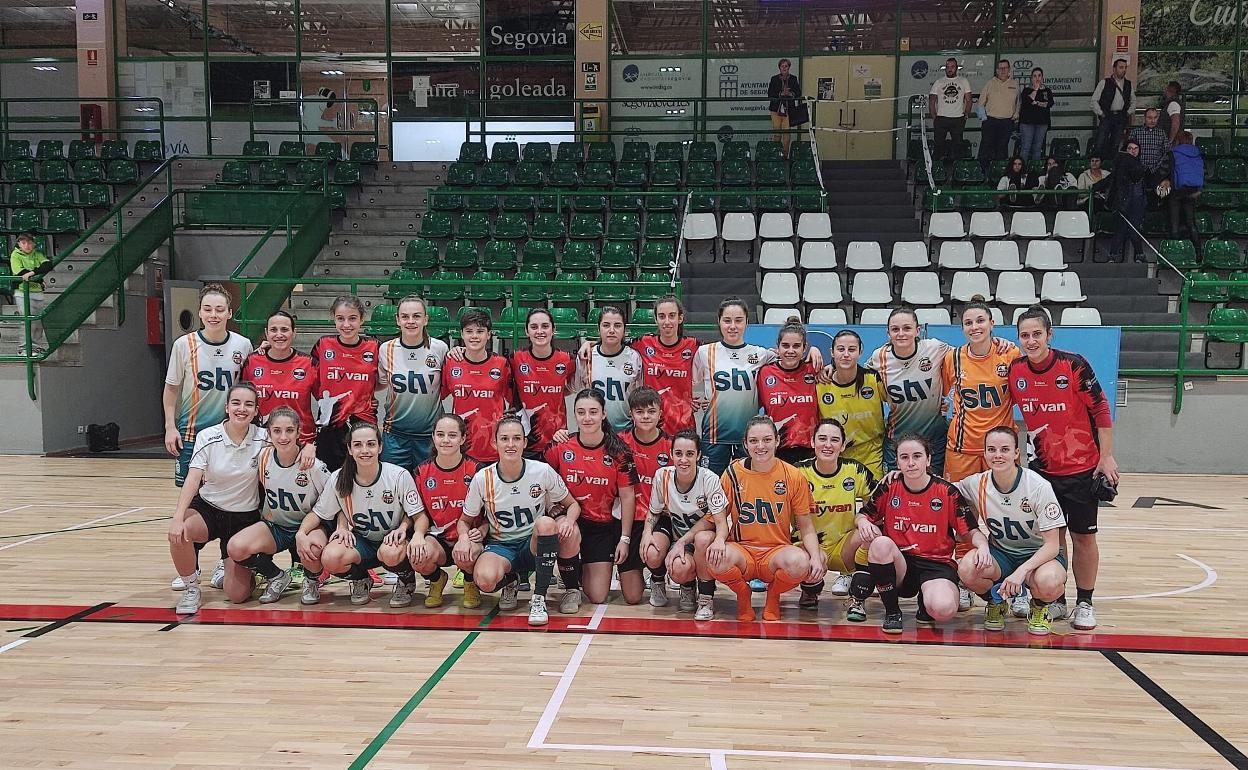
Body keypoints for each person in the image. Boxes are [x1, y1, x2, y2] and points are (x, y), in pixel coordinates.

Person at [1009, 305, 1118, 631]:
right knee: (1049, 538)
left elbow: (1101, 410)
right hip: (1041, 473)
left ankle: (1085, 601)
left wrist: (1106, 457)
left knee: (1083, 537)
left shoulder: (1073, 365)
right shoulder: (1015, 371)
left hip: (1082, 468)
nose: (1031, 341)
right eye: (1025, 335)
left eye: (1036, 334)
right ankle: (1056, 599)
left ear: (1049, 335)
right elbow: (1002, 411)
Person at [163, 284, 253, 591]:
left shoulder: (243, 344)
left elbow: (248, 388)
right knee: (195, 501)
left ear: (230, 313)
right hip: (192, 434)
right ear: (200, 312)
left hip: (232, 437)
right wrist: (169, 427)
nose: (213, 315)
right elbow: (172, 389)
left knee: (229, 498)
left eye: (220, 309)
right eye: (208, 309)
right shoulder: (183, 345)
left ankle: (222, 562)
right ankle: (192, 565)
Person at [855, 434, 989, 634]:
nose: (911, 463)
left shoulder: (946, 492)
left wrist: (983, 546)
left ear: (928, 459)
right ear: (897, 461)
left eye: (917, 456)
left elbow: (970, 531)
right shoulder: (889, 486)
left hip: (936, 564)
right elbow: (863, 515)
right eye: (904, 457)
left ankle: (926, 603)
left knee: (943, 610)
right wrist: (863, 521)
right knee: (880, 544)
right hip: (901, 564)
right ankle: (892, 613)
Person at [696, 415, 823, 622]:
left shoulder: (793, 475)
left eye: (766, 440)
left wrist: (815, 558)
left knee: (801, 562)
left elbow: (806, 526)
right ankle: (743, 594)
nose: (760, 446)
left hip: (776, 552)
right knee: (715, 557)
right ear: (745, 444)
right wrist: (698, 540)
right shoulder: (732, 473)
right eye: (754, 441)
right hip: (742, 551)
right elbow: (716, 518)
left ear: (777, 441)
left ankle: (773, 596)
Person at [458, 414, 581, 626]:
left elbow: (573, 504)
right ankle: (511, 581)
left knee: (548, 524)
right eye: (504, 439)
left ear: (524, 442)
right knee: (485, 580)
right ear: (494, 442)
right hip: (501, 546)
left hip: (533, 544)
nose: (510, 444)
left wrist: (569, 521)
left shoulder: (541, 471)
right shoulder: (483, 478)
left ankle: (539, 598)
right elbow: (464, 521)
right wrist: (462, 537)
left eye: (516, 438)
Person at [956, 426, 1068, 636]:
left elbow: (1053, 545)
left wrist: (1020, 572)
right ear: (985, 453)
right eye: (991, 449)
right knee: (967, 569)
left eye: (1005, 449)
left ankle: (1038, 606)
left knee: (1050, 582)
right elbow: (939, 487)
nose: (998, 455)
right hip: (1002, 555)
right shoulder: (977, 483)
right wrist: (900, 475)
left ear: (1016, 453)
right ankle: (996, 602)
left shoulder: (1037, 486)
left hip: (1040, 557)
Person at [166, 383, 268, 615]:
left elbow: (290, 451)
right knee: (180, 533)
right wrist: (178, 517)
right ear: (226, 407)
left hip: (244, 518)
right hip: (209, 510)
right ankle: (192, 588)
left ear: (255, 411)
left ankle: (237, 567)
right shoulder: (208, 436)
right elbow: (193, 479)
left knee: (237, 595)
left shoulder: (265, 438)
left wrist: (309, 449)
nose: (242, 409)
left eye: (248, 404)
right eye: (236, 403)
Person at [314, 421, 426, 607]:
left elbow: (418, 515)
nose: (364, 450)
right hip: (363, 542)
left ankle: (406, 580)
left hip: (392, 543)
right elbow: (321, 512)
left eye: (371, 444)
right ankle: (361, 579)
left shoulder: (398, 475)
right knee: (330, 557)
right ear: (349, 449)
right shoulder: (339, 477)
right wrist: (338, 527)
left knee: (390, 553)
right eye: (358, 445)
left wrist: (413, 532)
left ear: (380, 447)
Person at [546, 389, 641, 608]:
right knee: (566, 529)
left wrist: (624, 539)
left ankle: (573, 566)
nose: (587, 418)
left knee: (598, 596)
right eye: (581, 412)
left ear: (604, 414)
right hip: (570, 519)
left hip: (601, 526)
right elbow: (541, 481)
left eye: (593, 412)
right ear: (574, 415)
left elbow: (628, 497)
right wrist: (550, 505)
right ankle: (570, 584)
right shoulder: (560, 447)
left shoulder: (619, 452)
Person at [225, 407, 331, 605]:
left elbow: (334, 498)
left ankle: (312, 580)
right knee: (236, 547)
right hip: (277, 526)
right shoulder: (263, 457)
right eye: (277, 431)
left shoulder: (313, 466)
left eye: (290, 430)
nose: (283, 436)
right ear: (269, 433)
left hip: (308, 527)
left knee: (313, 549)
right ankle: (276, 576)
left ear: (299, 432)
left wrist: (310, 446)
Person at [641, 430, 727, 619]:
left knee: (703, 540)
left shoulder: (709, 479)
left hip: (698, 541)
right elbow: (654, 512)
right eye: (678, 454)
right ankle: (660, 582)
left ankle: (704, 597)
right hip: (674, 532)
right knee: (651, 550)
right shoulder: (662, 476)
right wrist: (646, 533)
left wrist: (720, 539)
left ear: (698, 455)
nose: (683, 460)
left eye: (689, 454)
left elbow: (721, 523)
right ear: (671, 454)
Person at [795, 419, 876, 617]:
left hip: (843, 547)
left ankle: (857, 598)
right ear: (812, 443)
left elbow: (879, 502)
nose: (828, 445)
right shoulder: (798, 472)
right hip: (808, 545)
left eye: (834, 440)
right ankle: (810, 591)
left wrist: (862, 519)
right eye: (822, 439)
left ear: (843, 446)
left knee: (873, 535)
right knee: (800, 558)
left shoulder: (855, 470)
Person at [692, 297, 778, 475]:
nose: (733, 326)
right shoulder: (704, 352)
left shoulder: (760, 354)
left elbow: (790, 358)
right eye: (727, 320)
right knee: (712, 486)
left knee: (748, 486)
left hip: (749, 437)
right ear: (719, 321)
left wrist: (812, 351)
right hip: (715, 436)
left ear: (747, 322)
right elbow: (689, 383)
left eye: (738, 321)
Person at [866, 307, 952, 475]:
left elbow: (966, 357)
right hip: (897, 438)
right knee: (897, 490)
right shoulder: (879, 357)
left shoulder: (934, 348)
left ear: (917, 330)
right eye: (895, 329)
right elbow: (855, 375)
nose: (901, 334)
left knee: (933, 490)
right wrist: (830, 367)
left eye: (907, 328)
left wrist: (996, 343)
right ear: (888, 333)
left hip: (934, 437)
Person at [941, 299, 1019, 483]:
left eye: (980, 321)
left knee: (1005, 504)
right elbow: (941, 393)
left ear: (992, 324)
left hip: (1001, 447)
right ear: (962, 328)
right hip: (962, 448)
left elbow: (1019, 395)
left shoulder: (1010, 354)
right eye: (968, 323)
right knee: (962, 507)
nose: (974, 327)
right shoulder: (953, 358)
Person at [410, 414, 481, 609]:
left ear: (463, 438)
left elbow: (489, 513)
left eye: (452, 435)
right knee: (417, 555)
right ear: (433, 437)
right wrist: (417, 535)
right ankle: (436, 580)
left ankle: (470, 581)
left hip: (468, 537)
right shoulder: (422, 471)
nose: (446, 440)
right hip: (438, 538)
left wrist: (481, 532)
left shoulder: (476, 470)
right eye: (440, 435)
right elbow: (418, 512)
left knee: (466, 553)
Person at [377, 295, 448, 470]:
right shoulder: (386, 349)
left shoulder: (440, 348)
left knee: (427, 489)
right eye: (405, 316)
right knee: (393, 489)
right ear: (397, 320)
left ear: (425, 319)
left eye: (416, 316)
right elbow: (380, 384)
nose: (410, 321)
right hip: (395, 435)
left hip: (430, 436)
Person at [309, 295, 379, 471]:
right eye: (340, 319)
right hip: (329, 424)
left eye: (352, 318)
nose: (346, 324)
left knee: (362, 475)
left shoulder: (374, 346)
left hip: (364, 422)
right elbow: (312, 377)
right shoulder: (323, 344)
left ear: (362, 319)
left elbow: (383, 379)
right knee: (329, 477)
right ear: (334, 318)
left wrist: (365, 396)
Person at [242, 311, 318, 470]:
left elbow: (325, 405)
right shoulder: (252, 361)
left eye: (284, 329)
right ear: (266, 333)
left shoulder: (309, 364)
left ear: (294, 332)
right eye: (273, 330)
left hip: (300, 445)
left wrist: (311, 443)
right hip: (261, 442)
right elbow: (244, 405)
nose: (279, 335)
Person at [620, 386, 673, 606]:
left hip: (660, 517)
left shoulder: (670, 446)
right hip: (629, 519)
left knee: (653, 552)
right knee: (632, 598)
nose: (645, 416)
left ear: (660, 413)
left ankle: (658, 578)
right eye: (639, 411)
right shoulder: (620, 443)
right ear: (631, 414)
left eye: (651, 411)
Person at [440, 309, 512, 463]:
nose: (474, 336)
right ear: (461, 334)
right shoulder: (451, 363)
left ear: (489, 334)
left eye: (480, 331)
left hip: (494, 449)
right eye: (469, 331)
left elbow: (515, 403)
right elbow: (436, 397)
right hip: (460, 448)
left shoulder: (501, 364)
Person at [816, 329, 885, 479]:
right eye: (841, 349)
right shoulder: (820, 384)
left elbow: (899, 401)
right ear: (832, 352)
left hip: (872, 454)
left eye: (852, 349)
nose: (846, 354)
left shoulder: (873, 379)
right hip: (835, 455)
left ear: (860, 352)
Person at [509, 308, 575, 458]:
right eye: (534, 327)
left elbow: (571, 387)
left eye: (545, 326)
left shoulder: (566, 359)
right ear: (526, 331)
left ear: (553, 329)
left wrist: (588, 344)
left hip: (557, 439)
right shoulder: (516, 358)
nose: (540, 331)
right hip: (524, 440)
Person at [756, 317, 818, 465]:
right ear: (778, 347)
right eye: (785, 345)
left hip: (810, 451)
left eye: (796, 346)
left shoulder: (814, 370)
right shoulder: (764, 372)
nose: (791, 351)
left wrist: (816, 351)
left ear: (805, 348)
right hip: (777, 451)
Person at [577, 305, 643, 432]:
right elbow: (574, 389)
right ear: (598, 328)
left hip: (626, 430)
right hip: (594, 430)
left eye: (617, 325)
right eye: (606, 325)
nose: (611, 330)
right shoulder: (587, 356)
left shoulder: (634, 357)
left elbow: (639, 395)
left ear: (624, 329)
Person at [1160, 131, 1204, 254]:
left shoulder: (1173, 153)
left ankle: (1176, 253)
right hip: (1192, 191)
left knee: (1174, 223)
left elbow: (1164, 171)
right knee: (1191, 223)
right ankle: (1198, 253)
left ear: (1178, 141)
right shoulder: (1197, 154)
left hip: (1176, 191)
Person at [1105, 140, 1148, 263]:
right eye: (1130, 148)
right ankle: (1114, 255)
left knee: (1134, 228)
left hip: (1138, 201)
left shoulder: (1141, 165)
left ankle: (1138, 255)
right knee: (1121, 228)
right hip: (1123, 201)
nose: (1133, 151)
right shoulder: (1121, 165)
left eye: (1135, 148)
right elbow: (1112, 180)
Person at [928, 57, 972, 176]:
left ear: (956, 68)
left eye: (952, 67)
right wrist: (934, 117)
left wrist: (966, 114)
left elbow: (969, 100)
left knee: (957, 147)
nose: (950, 69)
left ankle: (957, 174)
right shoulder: (939, 82)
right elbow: (932, 100)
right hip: (941, 118)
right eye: (948, 67)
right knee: (938, 147)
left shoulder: (963, 81)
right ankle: (936, 173)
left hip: (958, 118)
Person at [8, 232, 50, 355]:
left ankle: (36, 346)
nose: (27, 245)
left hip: (37, 291)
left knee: (37, 321)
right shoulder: (15, 255)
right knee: (27, 319)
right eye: (24, 243)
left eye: (30, 243)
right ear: (19, 244)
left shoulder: (37, 254)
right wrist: (38, 277)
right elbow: (21, 272)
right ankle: (24, 348)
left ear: (34, 244)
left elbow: (48, 265)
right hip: (23, 292)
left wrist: (33, 274)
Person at [978, 59, 1019, 171]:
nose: (1003, 70)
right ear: (997, 70)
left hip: (1006, 123)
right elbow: (981, 102)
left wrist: (1014, 117)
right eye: (1000, 68)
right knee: (986, 148)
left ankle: (1000, 174)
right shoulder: (990, 83)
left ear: (1009, 70)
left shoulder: (1015, 84)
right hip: (990, 121)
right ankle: (983, 173)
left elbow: (1018, 103)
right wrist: (984, 119)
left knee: (1002, 149)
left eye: (1005, 68)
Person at [1091, 58, 1134, 159]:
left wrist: (1127, 113)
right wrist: (1101, 113)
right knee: (1101, 142)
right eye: (1121, 67)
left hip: (1120, 116)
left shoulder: (1128, 84)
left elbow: (1133, 101)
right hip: (1107, 115)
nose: (1123, 70)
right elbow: (1094, 101)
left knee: (1116, 143)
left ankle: (1112, 165)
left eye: (1125, 68)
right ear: (1114, 69)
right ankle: (1099, 164)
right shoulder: (1104, 83)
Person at [1018, 67, 1053, 162]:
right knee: (1026, 147)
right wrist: (1036, 89)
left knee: (1037, 148)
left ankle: (1035, 171)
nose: (1037, 78)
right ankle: (1022, 171)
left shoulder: (1047, 91)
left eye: (1039, 75)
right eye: (1034, 76)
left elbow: (1049, 104)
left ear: (1042, 78)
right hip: (1027, 123)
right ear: (1031, 78)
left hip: (1042, 123)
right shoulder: (1026, 91)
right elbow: (1027, 101)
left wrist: (1037, 103)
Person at [767, 58, 801, 152]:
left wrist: (791, 94)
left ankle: (785, 155)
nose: (784, 68)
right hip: (776, 110)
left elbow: (798, 93)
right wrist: (780, 94)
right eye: (782, 66)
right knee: (777, 132)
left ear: (789, 67)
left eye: (786, 66)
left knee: (787, 133)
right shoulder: (774, 79)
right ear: (779, 68)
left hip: (788, 110)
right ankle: (776, 153)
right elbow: (770, 93)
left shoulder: (793, 79)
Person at [1128, 108, 1169, 178]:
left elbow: (1166, 152)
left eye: (1155, 118)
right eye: (1149, 118)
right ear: (1144, 118)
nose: (1153, 121)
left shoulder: (1161, 133)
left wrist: (1158, 167)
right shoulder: (1136, 132)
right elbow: (1129, 152)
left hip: (1156, 171)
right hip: (1138, 170)